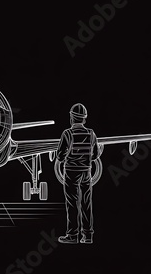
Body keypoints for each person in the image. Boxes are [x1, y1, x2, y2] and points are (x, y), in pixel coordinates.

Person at [56, 103, 100, 244]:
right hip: (86, 172)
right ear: (84, 119)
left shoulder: (67, 134)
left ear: (71, 118)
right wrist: (86, 160)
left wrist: (67, 158)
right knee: (87, 203)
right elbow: (96, 155)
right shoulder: (91, 133)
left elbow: (60, 156)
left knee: (73, 203)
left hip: (71, 172)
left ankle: (73, 235)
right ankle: (88, 236)